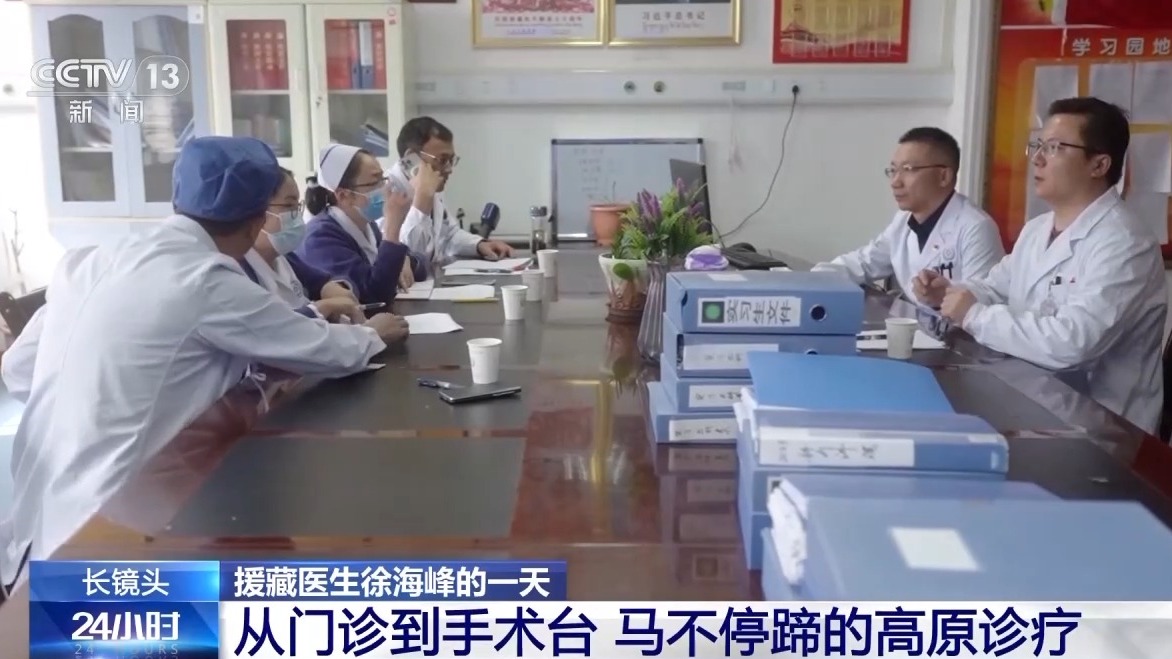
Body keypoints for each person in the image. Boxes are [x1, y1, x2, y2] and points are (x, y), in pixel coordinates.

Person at [0, 136, 410, 594]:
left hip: (27, 536)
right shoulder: (204, 278)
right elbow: (325, 350)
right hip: (107, 547)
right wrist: (375, 333)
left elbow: (17, 370)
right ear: (256, 221)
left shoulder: (90, 260)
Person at [918, 97, 1166, 435]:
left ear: (1099, 164)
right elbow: (997, 287)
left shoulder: (1125, 243)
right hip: (1033, 405)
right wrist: (950, 293)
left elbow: (1073, 343)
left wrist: (974, 315)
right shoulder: (1037, 229)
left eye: (1054, 148)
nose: (1037, 158)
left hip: (1104, 432)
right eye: (1038, 145)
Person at [812, 127, 1005, 305]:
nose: (895, 182)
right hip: (914, 325)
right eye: (893, 170)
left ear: (944, 176)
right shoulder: (903, 222)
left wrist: (942, 297)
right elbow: (864, 262)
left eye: (908, 169)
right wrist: (813, 278)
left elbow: (983, 302)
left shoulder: (976, 227)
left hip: (957, 331)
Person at [297, 144, 428, 305]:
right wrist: (392, 229)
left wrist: (406, 260)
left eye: (383, 179)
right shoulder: (320, 238)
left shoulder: (367, 226)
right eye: (375, 182)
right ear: (343, 195)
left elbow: (421, 265)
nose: (386, 188)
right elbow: (373, 295)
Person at [386, 117, 514, 266]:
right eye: (442, 160)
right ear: (411, 158)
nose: (449, 169)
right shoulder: (384, 192)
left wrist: (478, 245)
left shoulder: (433, 188)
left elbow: (448, 235)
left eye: (451, 160)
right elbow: (408, 257)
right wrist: (422, 199)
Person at [241, 167, 364, 321]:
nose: (296, 215)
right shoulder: (240, 272)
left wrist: (331, 289)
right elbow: (271, 327)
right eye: (288, 205)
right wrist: (323, 308)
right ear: (258, 211)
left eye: (297, 206)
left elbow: (319, 281)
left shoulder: (283, 257)